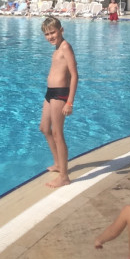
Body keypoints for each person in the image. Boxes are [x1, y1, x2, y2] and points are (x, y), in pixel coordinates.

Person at [39, 17, 78, 188]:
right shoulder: (56, 48)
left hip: (60, 93)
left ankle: (64, 176)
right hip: (50, 93)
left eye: (53, 32)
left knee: (57, 133)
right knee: (44, 128)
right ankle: (58, 163)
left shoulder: (65, 47)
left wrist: (70, 102)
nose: (50, 36)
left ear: (61, 30)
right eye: (47, 34)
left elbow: (74, 75)